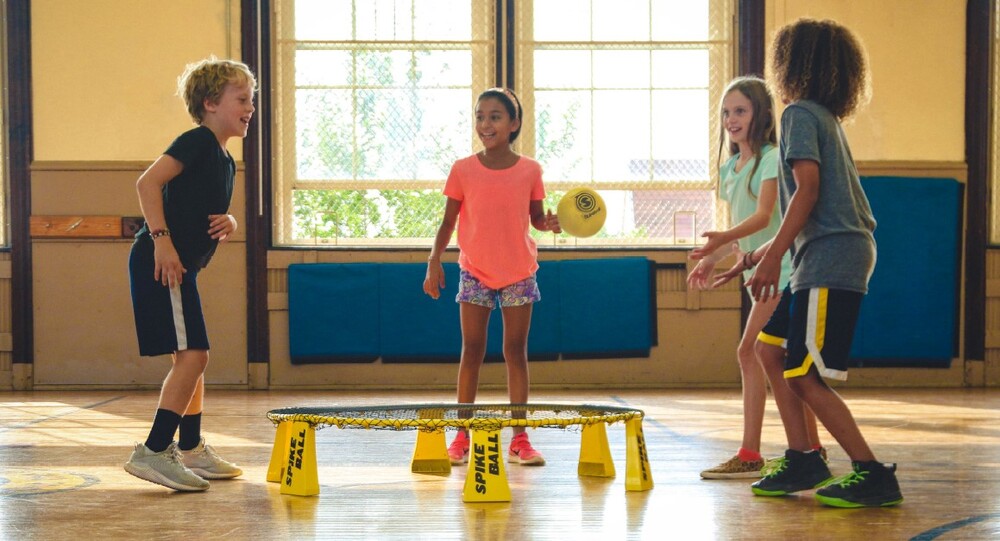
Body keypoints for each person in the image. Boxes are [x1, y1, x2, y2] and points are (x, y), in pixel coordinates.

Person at [713, 19, 902, 508]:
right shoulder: (821, 116)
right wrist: (755, 255)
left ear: (790, 64)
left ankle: (872, 472)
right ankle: (804, 456)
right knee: (768, 351)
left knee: (802, 374)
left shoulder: (798, 113)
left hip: (832, 257)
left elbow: (810, 192)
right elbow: (809, 203)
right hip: (818, 256)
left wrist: (773, 257)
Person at [124, 58, 256, 491]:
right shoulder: (197, 140)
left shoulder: (224, 159)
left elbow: (203, 208)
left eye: (251, 100)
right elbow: (147, 183)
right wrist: (161, 239)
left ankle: (193, 447)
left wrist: (230, 222)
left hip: (182, 268)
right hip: (163, 262)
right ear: (211, 102)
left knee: (193, 360)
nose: (250, 107)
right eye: (242, 99)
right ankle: (155, 451)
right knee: (194, 356)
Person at [690, 76, 825, 480]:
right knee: (777, 362)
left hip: (783, 271)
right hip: (758, 274)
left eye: (741, 111)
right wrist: (712, 258)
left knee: (749, 352)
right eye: (727, 112)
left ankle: (753, 453)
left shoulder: (771, 158)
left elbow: (765, 217)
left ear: (760, 114)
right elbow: (741, 229)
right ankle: (811, 449)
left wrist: (725, 242)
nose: (732, 119)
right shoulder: (731, 168)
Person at [423, 87, 561, 467]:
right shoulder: (463, 169)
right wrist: (434, 260)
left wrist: (547, 223)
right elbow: (448, 222)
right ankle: (461, 436)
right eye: (480, 116)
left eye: (495, 116)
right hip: (475, 272)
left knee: (515, 352)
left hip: (518, 272)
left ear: (514, 123)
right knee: (472, 351)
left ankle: (519, 438)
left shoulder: (531, 169)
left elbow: (535, 217)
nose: (486, 124)